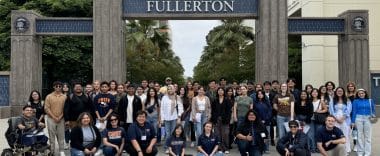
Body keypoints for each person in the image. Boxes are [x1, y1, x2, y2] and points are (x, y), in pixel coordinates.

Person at [351, 88, 376, 156]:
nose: (361, 94)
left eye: (362, 93)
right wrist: (353, 121)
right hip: (358, 118)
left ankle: (367, 152)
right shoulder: (355, 101)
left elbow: (373, 110)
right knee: (359, 136)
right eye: (359, 93)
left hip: (368, 118)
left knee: (368, 136)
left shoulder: (370, 100)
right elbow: (354, 111)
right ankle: (360, 152)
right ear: (357, 94)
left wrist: (373, 116)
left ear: (365, 93)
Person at [44, 81, 66, 156]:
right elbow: (47, 108)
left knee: (61, 135)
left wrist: (60, 117)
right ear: (54, 87)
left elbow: (65, 109)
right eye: (56, 86)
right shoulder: (49, 96)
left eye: (60, 86)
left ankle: (61, 150)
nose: (58, 87)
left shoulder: (64, 97)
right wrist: (54, 117)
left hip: (61, 118)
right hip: (51, 119)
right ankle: (52, 151)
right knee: (51, 135)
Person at [161, 84, 184, 152]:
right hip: (166, 118)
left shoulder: (177, 97)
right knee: (168, 133)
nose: (169, 90)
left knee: (173, 133)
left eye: (171, 88)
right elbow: (162, 108)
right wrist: (162, 118)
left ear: (174, 89)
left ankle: (173, 147)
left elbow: (180, 107)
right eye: (168, 89)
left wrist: (179, 116)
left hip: (174, 117)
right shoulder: (164, 97)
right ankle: (167, 147)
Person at [329, 87, 352, 154]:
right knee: (336, 134)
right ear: (336, 92)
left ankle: (346, 150)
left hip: (345, 119)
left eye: (341, 91)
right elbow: (331, 110)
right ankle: (337, 150)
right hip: (335, 119)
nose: (339, 92)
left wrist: (343, 118)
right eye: (338, 91)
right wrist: (336, 118)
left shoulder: (347, 100)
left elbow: (348, 110)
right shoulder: (332, 100)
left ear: (343, 92)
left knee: (345, 134)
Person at [211, 87, 232, 154]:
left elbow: (229, 111)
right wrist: (214, 118)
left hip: (225, 119)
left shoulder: (227, 100)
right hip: (216, 119)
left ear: (223, 92)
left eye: (221, 90)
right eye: (219, 90)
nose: (220, 91)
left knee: (225, 134)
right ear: (217, 92)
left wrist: (227, 119)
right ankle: (219, 148)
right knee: (217, 134)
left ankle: (226, 148)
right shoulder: (215, 100)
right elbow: (213, 110)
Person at [310, 88, 328, 153]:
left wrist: (319, 111)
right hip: (311, 119)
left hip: (319, 119)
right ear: (311, 93)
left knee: (318, 134)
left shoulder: (321, 101)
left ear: (318, 93)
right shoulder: (309, 101)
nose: (314, 93)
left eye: (316, 92)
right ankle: (313, 147)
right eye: (313, 92)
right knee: (312, 134)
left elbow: (326, 109)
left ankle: (319, 148)